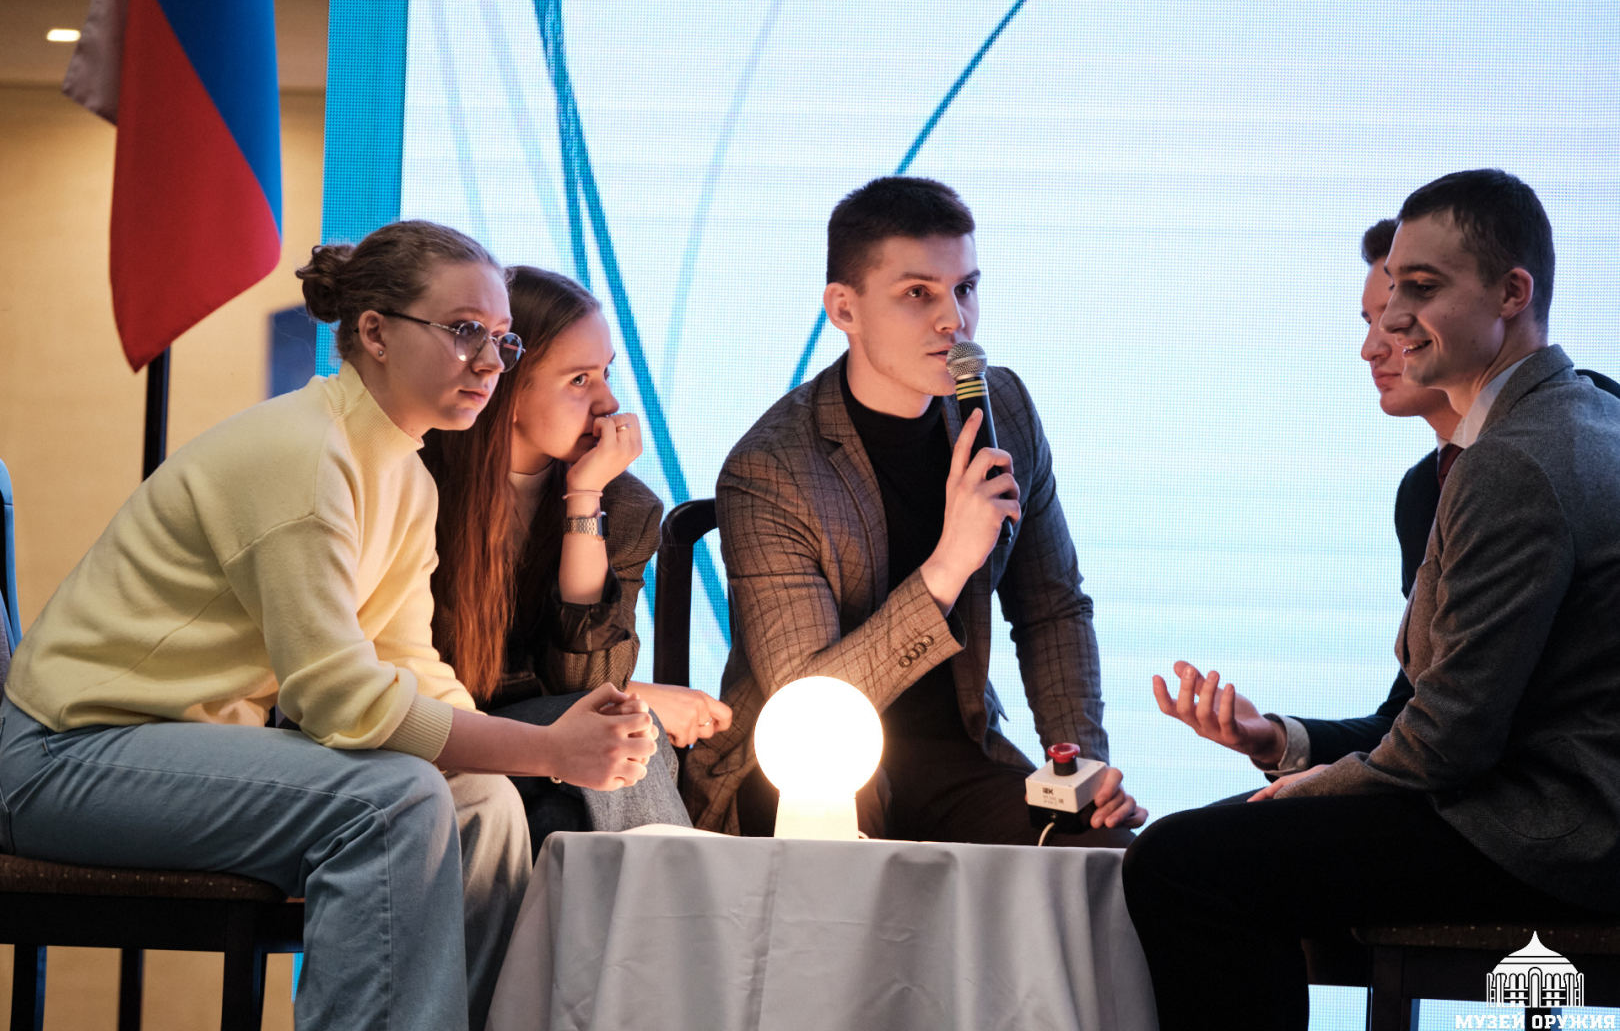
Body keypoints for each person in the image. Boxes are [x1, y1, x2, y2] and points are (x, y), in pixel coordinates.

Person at [0, 221, 657, 1031]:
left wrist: (517, 754)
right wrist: (549, 750)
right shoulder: (305, 455)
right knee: (392, 801)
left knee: (485, 803)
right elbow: (337, 699)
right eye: (464, 332)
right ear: (374, 333)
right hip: (65, 757)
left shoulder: (405, 475)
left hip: (180, 746)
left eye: (501, 339)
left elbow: (408, 662)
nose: (490, 362)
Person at [1122, 170, 1620, 1031]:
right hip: (1546, 805)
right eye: (1388, 298)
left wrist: (1314, 785)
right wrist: (1290, 752)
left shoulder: (1512, 460)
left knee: (1181, 861)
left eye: (1419, 290)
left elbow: (1448, 741)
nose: (1389, 325)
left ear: (1513, 293)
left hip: (1555, 829)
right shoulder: (1573, 415)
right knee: (1214, 845)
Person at [684, 176, 1146, 844]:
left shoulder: (1004, 409)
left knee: (1098, 848)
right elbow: (808, 708)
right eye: (918, 294)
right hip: (801, 778)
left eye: (965, 288)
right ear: (844, 309)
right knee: (850, 867)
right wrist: (948, 566)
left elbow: (1052, 608)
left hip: (955, 757)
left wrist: (1080, 768)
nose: (953, 320)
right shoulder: (770, 468)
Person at [422, 265, 730, 847]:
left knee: (561, 818)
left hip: (540, 754)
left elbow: (588, 682)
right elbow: (441, 683)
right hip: (435, 735)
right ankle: (684, 902)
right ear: (506, 384)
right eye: (579, 379)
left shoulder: (626, 506)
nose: (608, 402)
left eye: (606, 372)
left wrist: (584, 498)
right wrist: (639, 698)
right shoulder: (417, 478)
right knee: (626, 730)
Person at [1152, 218, 1459, 776]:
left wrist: (1330, 786)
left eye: (1397, 319)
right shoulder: (1421, 493)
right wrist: (1272, 739)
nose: (1371, 348)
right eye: (1370, 321)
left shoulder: (1575, 424)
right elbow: (1406, 714)